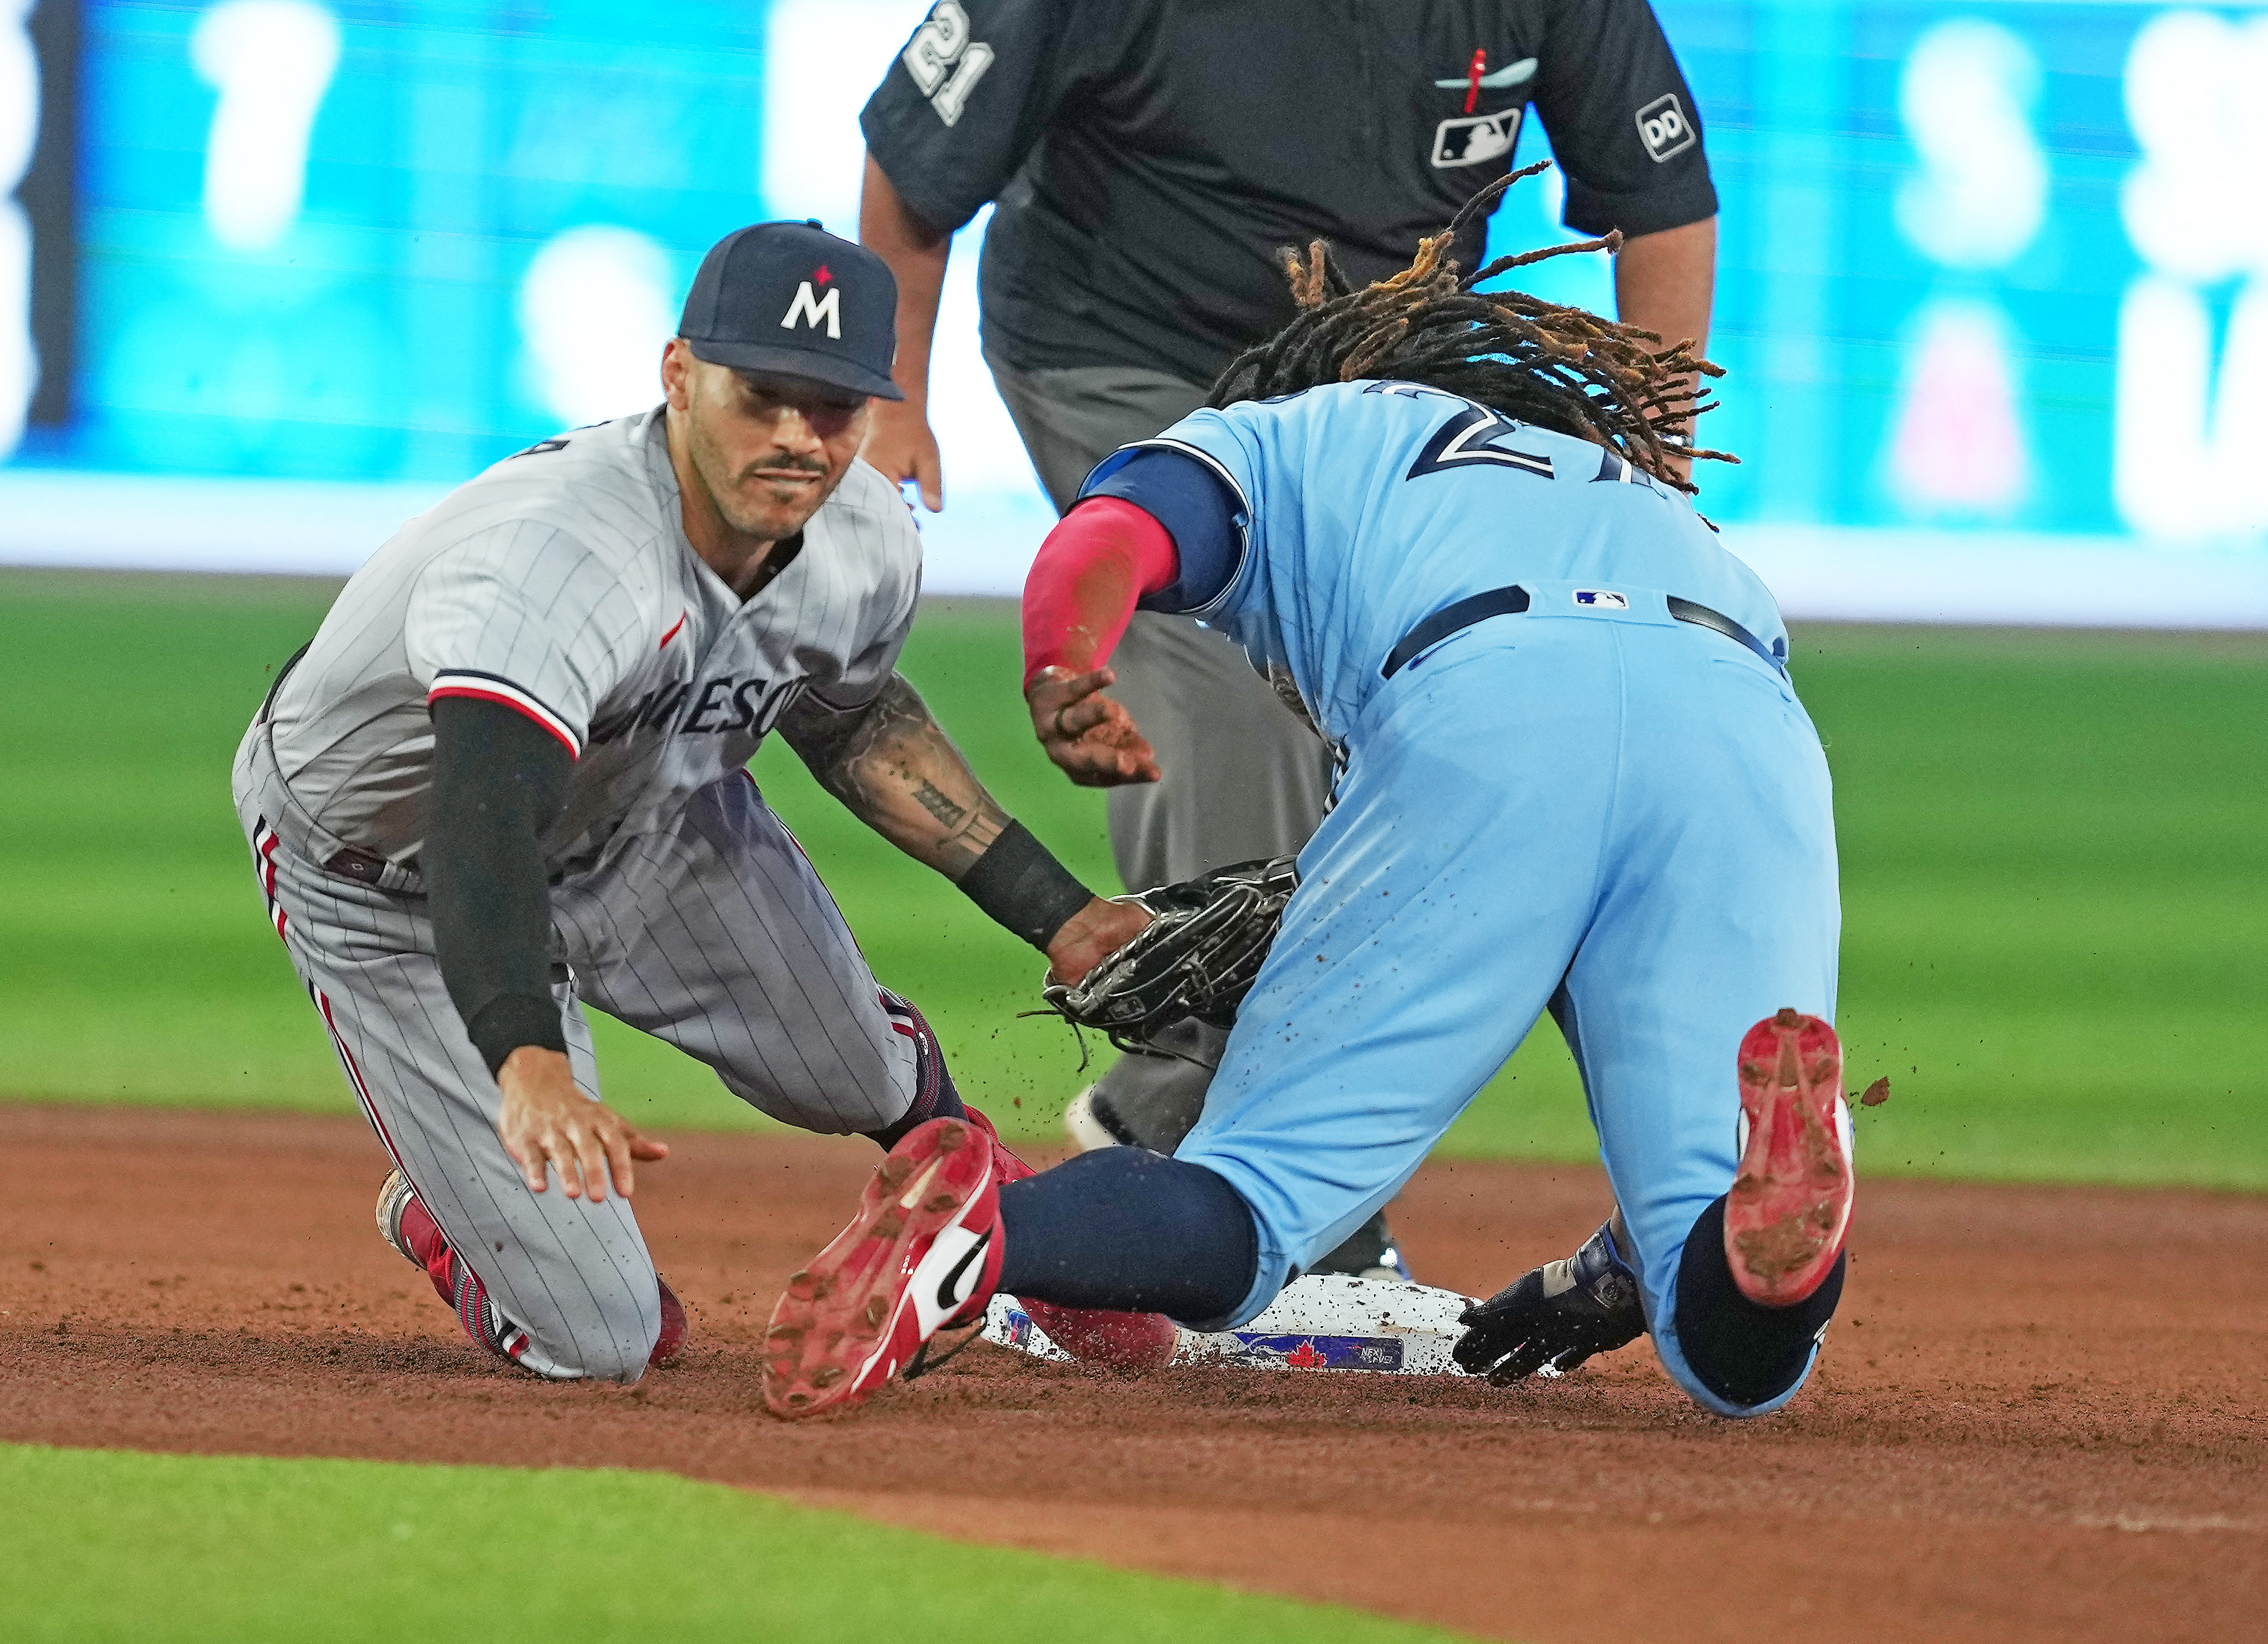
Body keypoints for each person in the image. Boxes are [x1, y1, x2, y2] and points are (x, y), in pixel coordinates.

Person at [764, 182, 1853, 1423]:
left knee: (1254, 1198)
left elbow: (1116, 528)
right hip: (1747, 723)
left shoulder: (1301, 425)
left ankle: (975, 1238)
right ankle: (1737, 1227)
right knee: (1737, 1363)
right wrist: (1605, 1273)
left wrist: (1063, 661)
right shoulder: (1636, 492)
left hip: (1491, 694)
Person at [857, 0, 1722, 1276]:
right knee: (1240, 694)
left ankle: (1179, 1112)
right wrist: (894, 395)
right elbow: (915, 168)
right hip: (1118, 347)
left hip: (1377, 387)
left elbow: (1660, 204)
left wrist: (1651, 462)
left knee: (1452, 716)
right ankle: (1254, 1155)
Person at [231, 220, 1164, 1384]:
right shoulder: (559, 557)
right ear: (678, 377)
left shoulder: (863, 533)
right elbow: (484, 826)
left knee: (860, 1074)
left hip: (649, 813)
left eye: (830, 407)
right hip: (398, 877)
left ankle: (998, 1225)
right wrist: (527, 1061)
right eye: (760, 395)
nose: (793, 436)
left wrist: (1060, 913)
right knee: (609, 1340)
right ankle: (451, 1205)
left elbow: (856, 720)